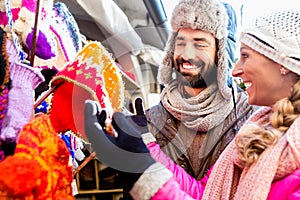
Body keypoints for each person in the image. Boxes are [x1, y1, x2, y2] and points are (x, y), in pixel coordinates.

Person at [84, 5, 300, 200]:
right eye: (180, 43)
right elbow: (205, 193)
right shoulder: (261, 125)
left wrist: (142, 171)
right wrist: (143, 148)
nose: (236, 70)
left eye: (199, 44)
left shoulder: (249, 120)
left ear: (282, 63)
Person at [144, 0, 255, 180]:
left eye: (199, 44)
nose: (187, 55)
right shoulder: (148, 122)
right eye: (180, 43)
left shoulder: (251, 117)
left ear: (221, 54)